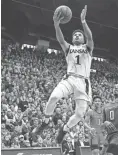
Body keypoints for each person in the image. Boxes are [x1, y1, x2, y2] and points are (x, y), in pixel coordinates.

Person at [40, 5, 94, 144]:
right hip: (69, 78)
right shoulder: (68, 48)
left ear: (82, 39)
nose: (77, 35)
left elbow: (89, 36)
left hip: (83, 82)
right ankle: (45, 121)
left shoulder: (88, 48)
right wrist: (56, 25)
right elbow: (60, 39)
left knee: (79, 114)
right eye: (75, 34)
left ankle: (65, 129)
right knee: (54, 97)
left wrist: (83, 21)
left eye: (79, 35)